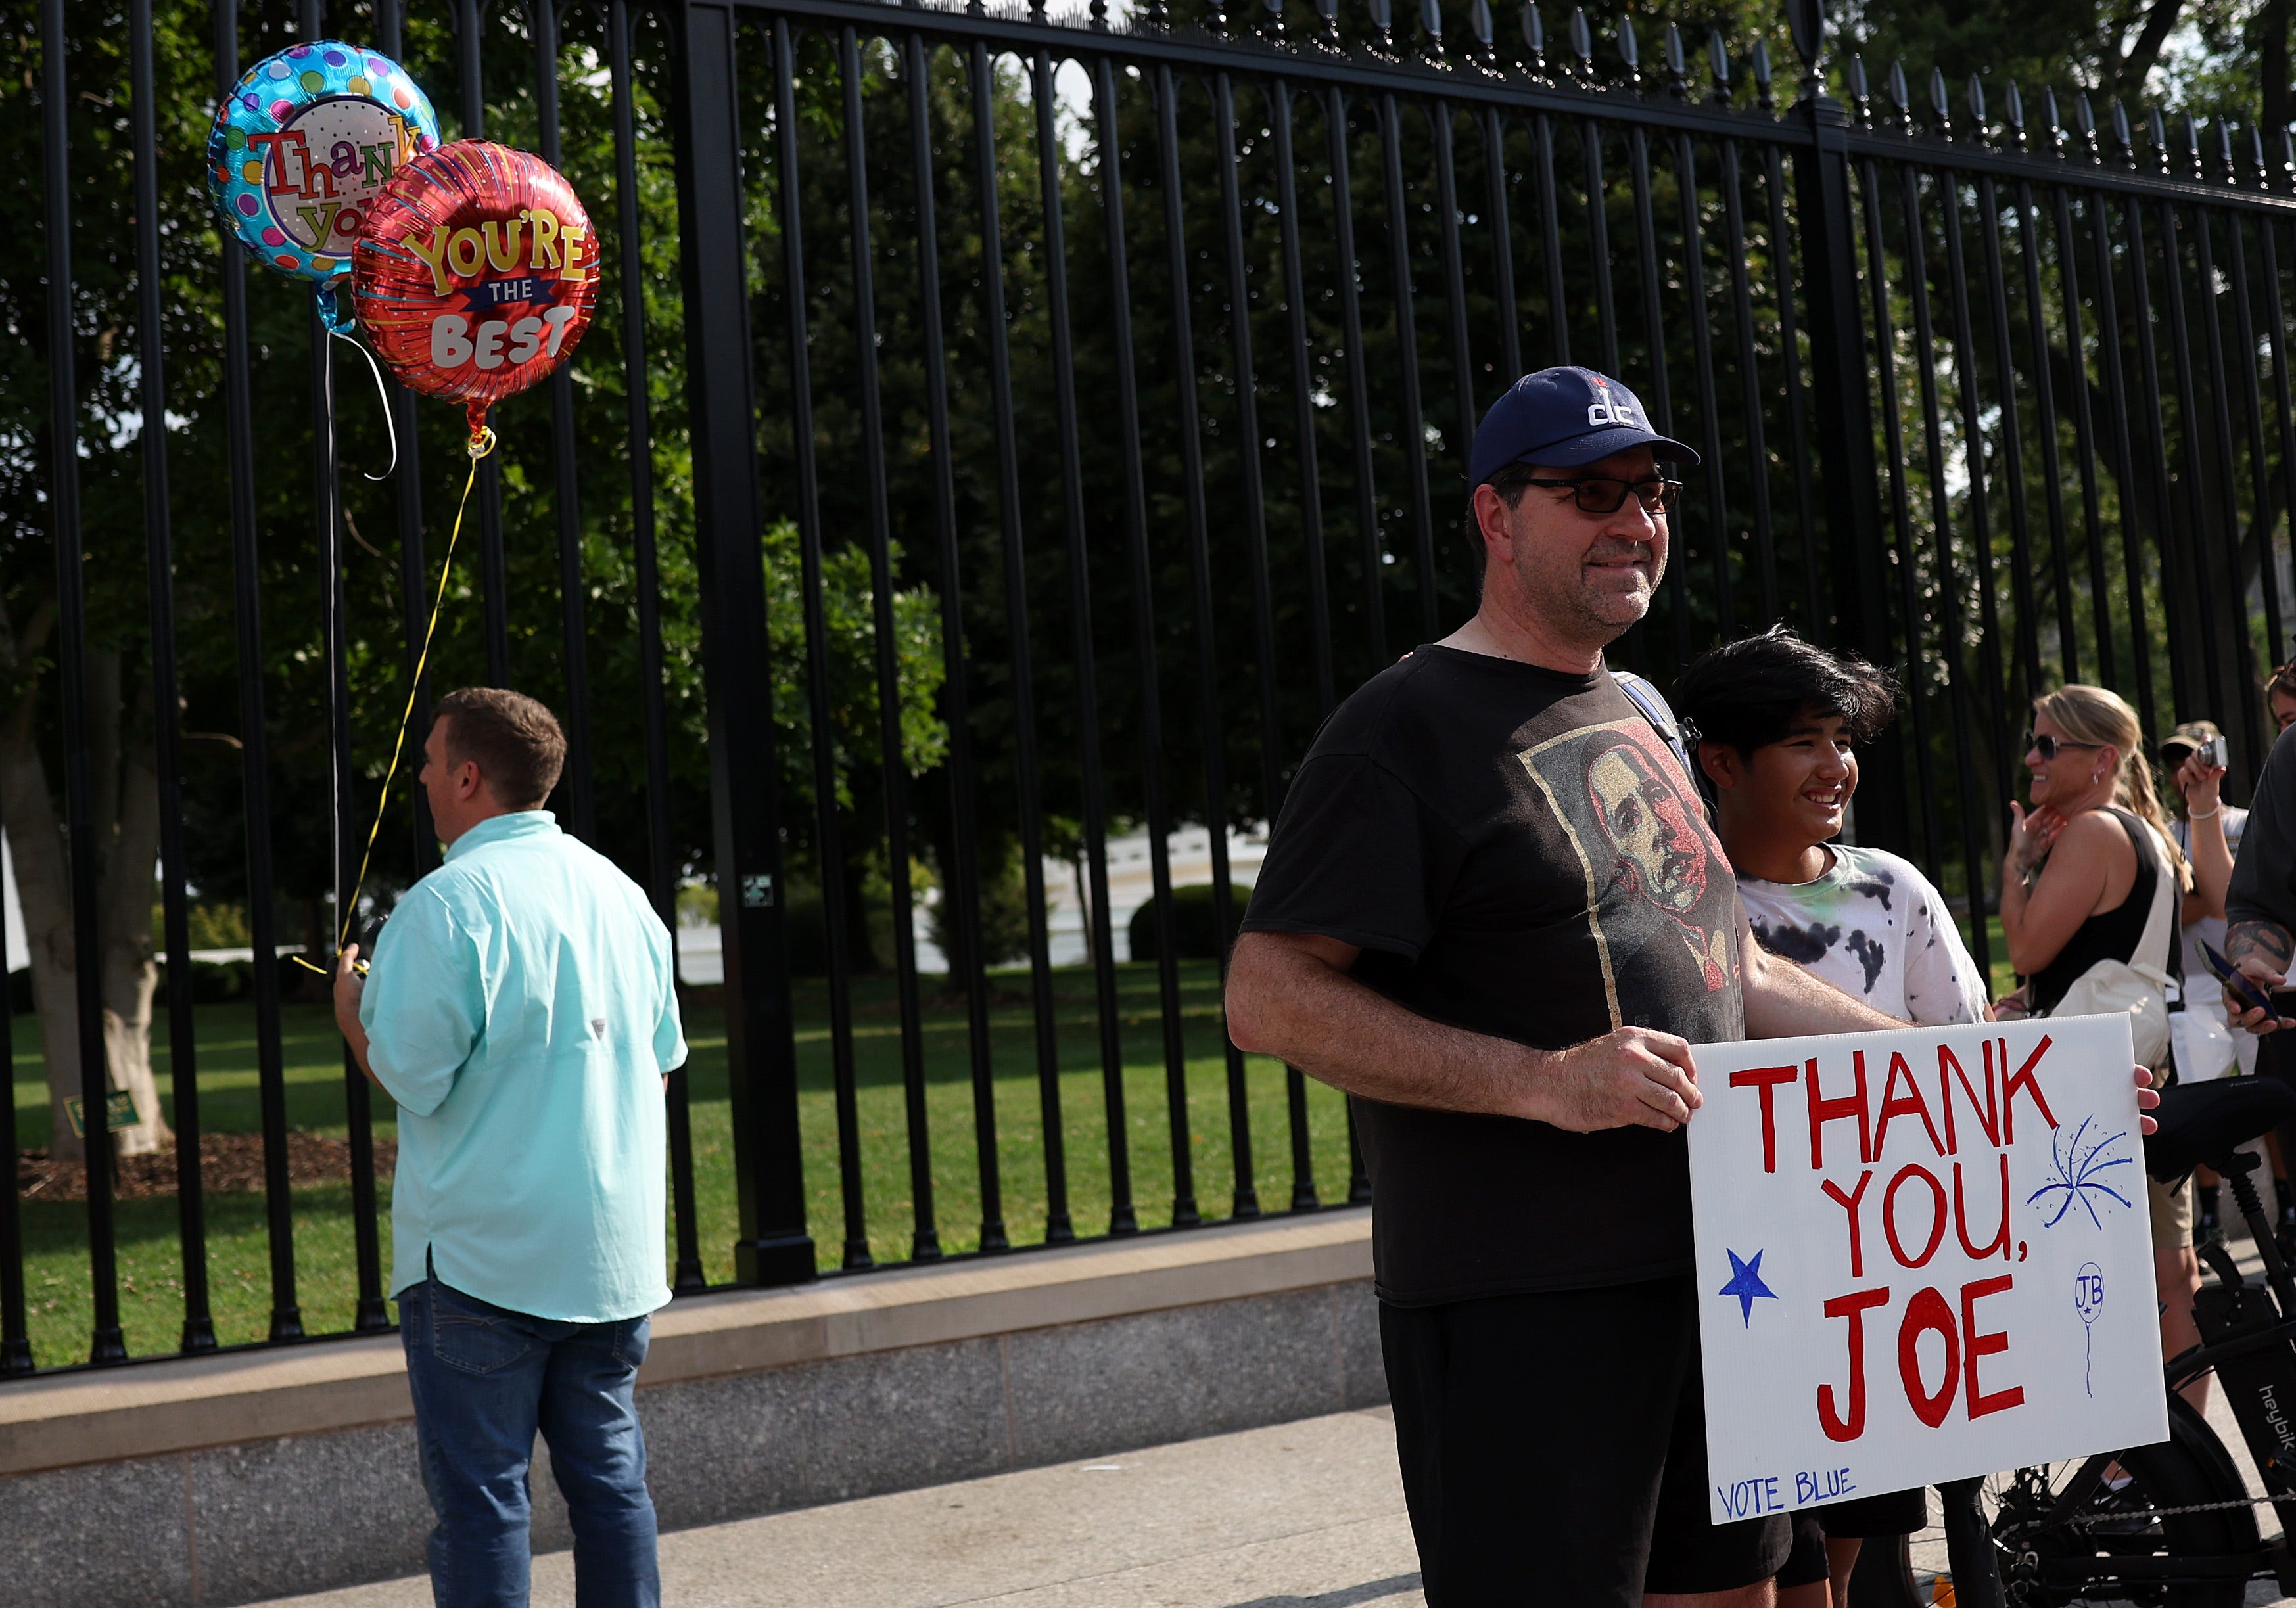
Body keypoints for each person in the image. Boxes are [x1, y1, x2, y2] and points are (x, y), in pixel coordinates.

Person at [1225, 365, 1940, 1607]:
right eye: (1589, 490)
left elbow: (1737, 962)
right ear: (1496, 518)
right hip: (1525, 1309)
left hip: (1722, 1274)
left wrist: (1962, 1070)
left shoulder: (1646, 710)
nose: (1634, 520)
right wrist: (1540, 1081)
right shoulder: (1400, 727)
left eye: (1649, 490)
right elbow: (1267, 994)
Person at [331, 688, 684, 1608]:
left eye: (429, 758)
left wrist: (348, 1014)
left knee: (486, 1506)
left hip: (481, 1265)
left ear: (468, 775)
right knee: (612, 1486)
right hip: (610, 1256)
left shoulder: (446, 904)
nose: (419, 776)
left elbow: (415, 1075)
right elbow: (658, 1068)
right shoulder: (624, 893)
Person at [1675, 628, 1988, 1608]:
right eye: (1804, 740)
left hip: (1874, 1294)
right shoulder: (1674, 902)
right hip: (1737, 1304)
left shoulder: (1892, 889)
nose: (1836, 765)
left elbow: (1972, 1064)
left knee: (1843, 1569)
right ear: (1721, 761)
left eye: (1841, 737)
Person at [1997, 685, 2200, 1407]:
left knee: (2132, 1277)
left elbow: (2022, 943)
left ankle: (2137, 1470)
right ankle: (2181, 1460)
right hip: (2144, 1070)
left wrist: (2016, 864)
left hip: (2093, 1092)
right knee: (2170, 1274)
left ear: (2100, 758)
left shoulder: (2090, 834)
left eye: (2049, 744)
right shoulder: (2143, 832)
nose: (2032, 756)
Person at [2158, 722, 2247, 1245]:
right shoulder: (2166, 832)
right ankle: (2210, 1215)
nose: (2182, 769)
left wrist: (2192, 900)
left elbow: (2221, 900)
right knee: (2201, 1097)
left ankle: (2282, 1205)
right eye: (2175, 759)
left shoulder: (2242, 820)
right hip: (2194, 981)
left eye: (2194, 756)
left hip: (2246, 975)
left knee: (2271, 1079)